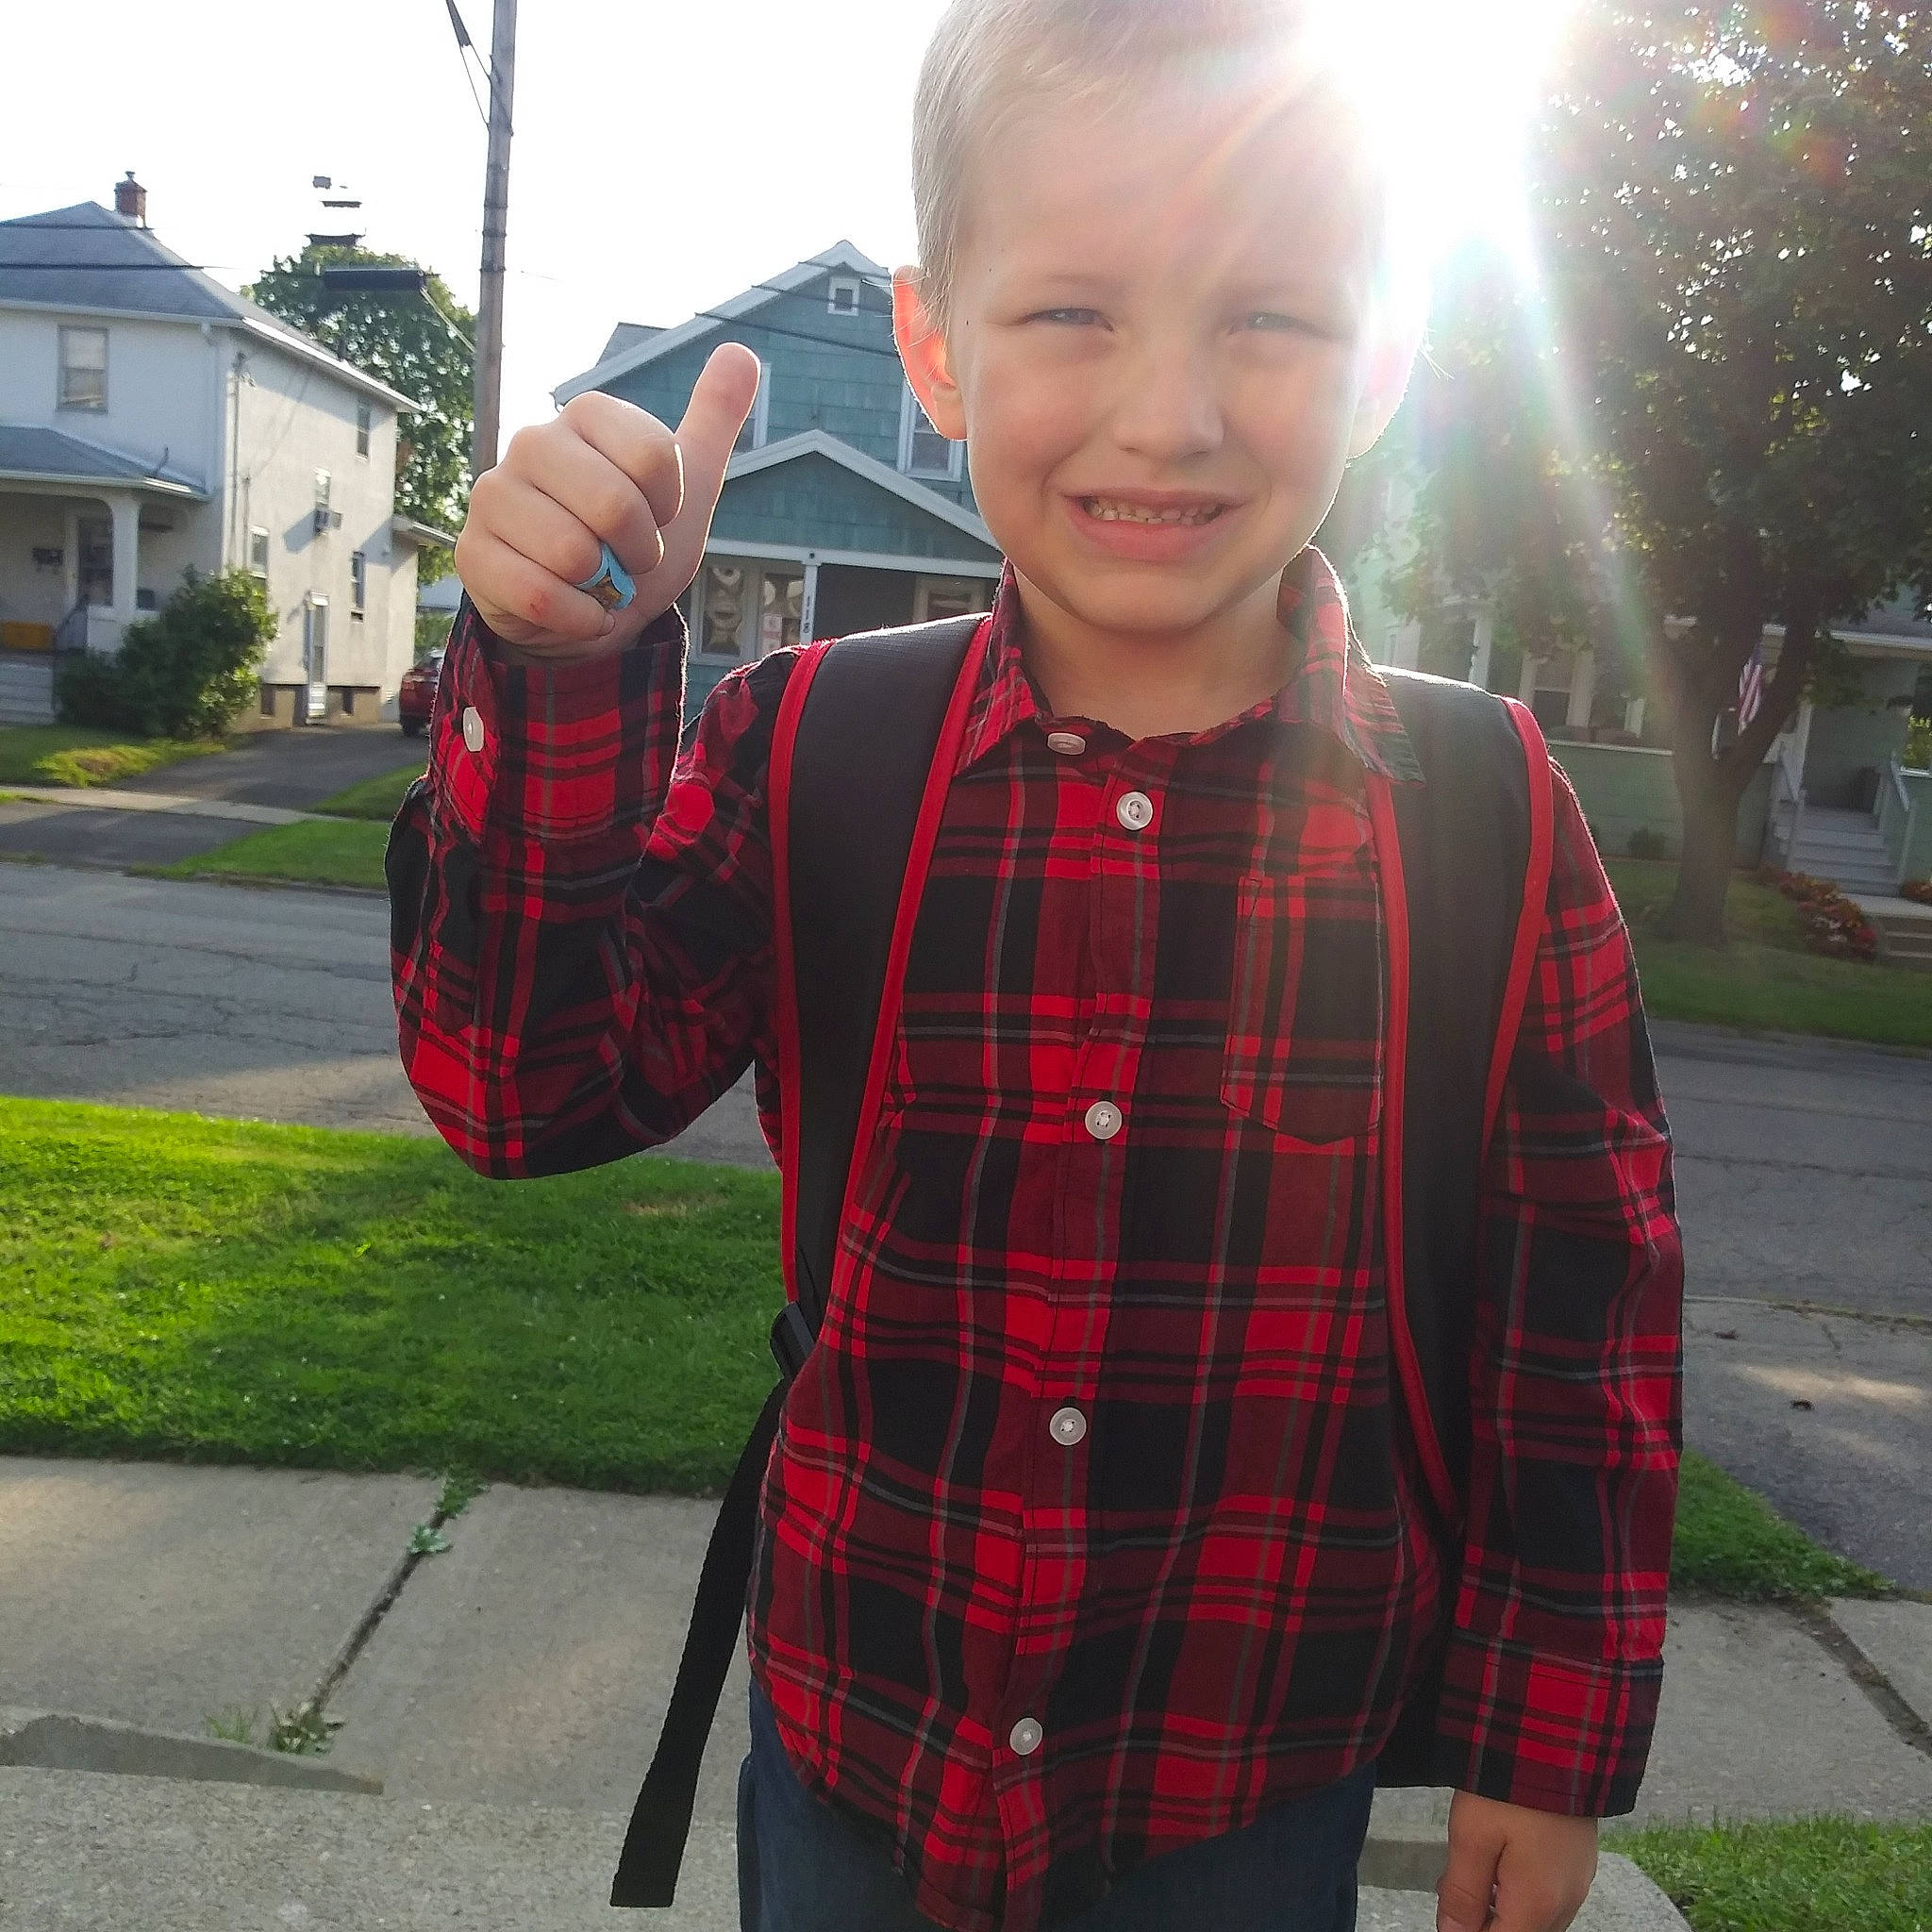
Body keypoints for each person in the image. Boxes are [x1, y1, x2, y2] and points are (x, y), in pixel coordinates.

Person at [387, 3, 1684, 1929]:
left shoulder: (1481, 813)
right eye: (1073, 310)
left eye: (1268, 317)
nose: (1168, 412)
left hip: (1245, 1779)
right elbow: (518, 1090)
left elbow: (1582, 1317)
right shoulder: (809, 745)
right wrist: (569, 671)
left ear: (1386, 354)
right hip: (856, 1751)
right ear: (935, 346)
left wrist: (1541, 1741)